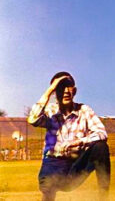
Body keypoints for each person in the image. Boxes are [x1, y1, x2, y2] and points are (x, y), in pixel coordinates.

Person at [28, 72, 110, 201]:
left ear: (75, 90)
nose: (65, 91)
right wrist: (49, 90)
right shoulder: (50, 111)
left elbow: (101, 133)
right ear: (55, 92)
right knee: (48, 185)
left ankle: (104, 197)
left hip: (75, 165)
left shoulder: (84, 110)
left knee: (101, 147)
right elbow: (33, 119)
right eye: (60, 87)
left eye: (68, 86)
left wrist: (78, 142)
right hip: (53, 163)